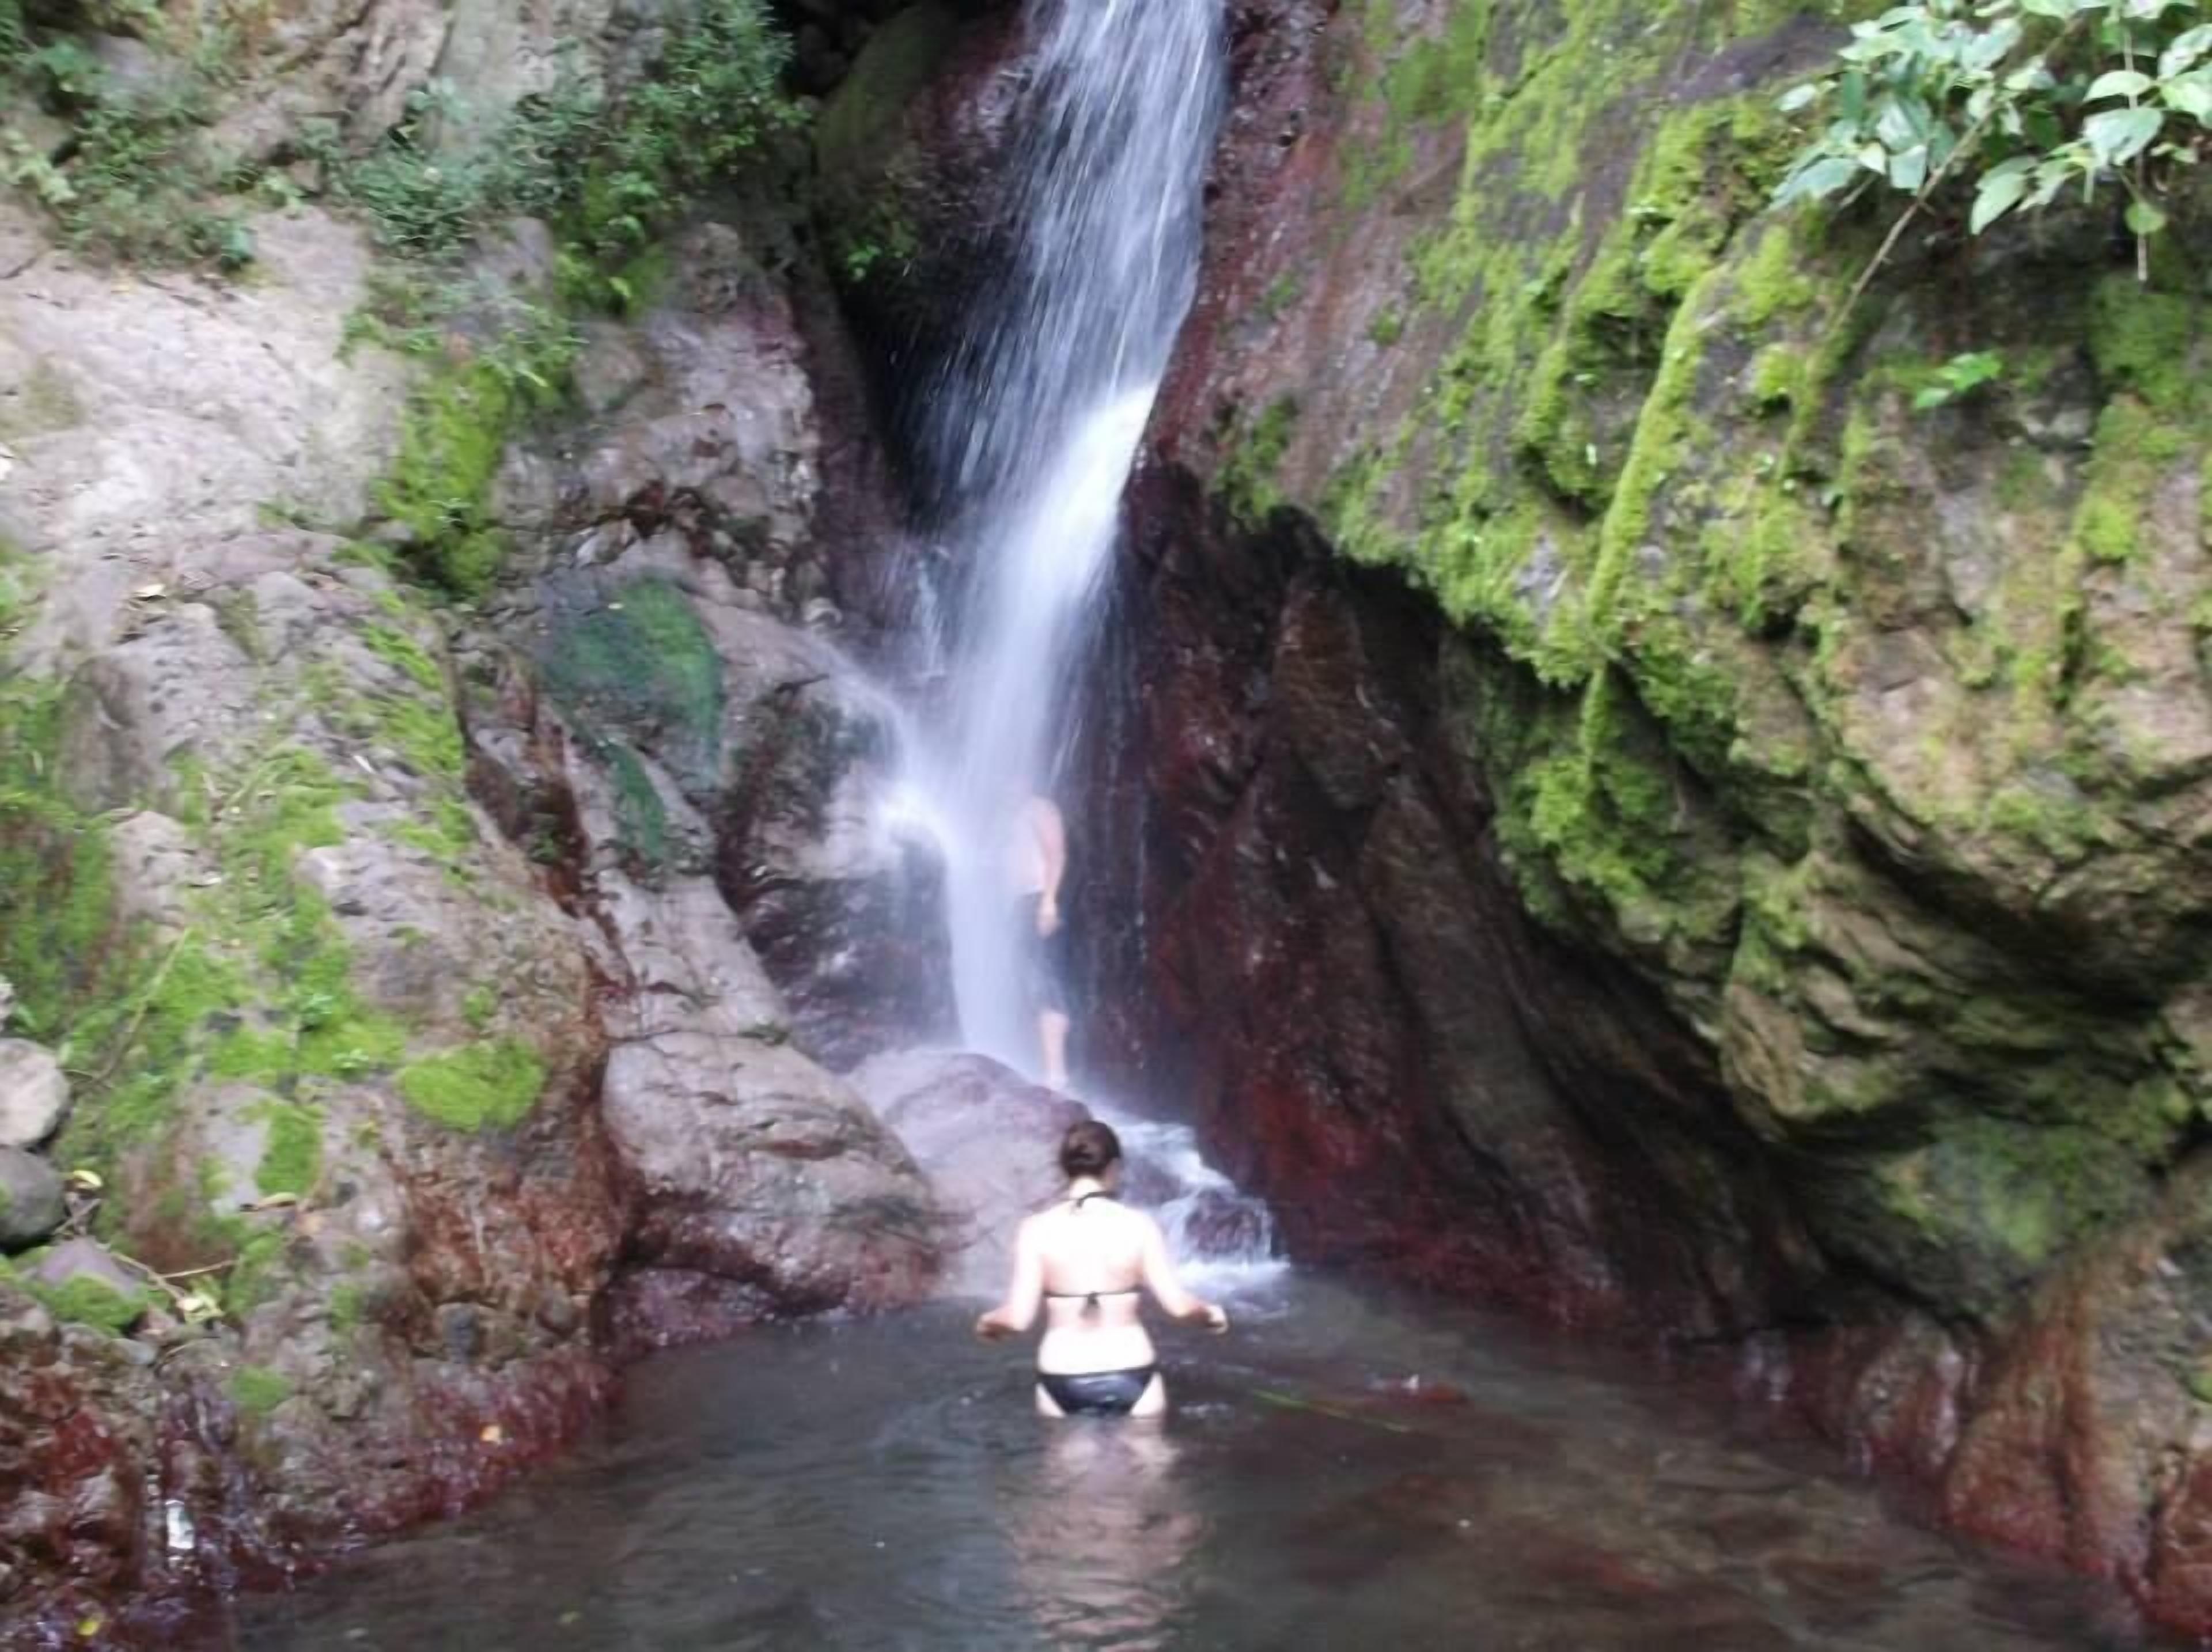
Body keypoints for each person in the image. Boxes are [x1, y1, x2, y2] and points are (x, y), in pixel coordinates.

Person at [976, 1120, 1229, 1418]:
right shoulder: (1139, 1226)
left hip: (1062, 1374)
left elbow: (1017, 1319)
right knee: (1148, 1464)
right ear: (1115, 1167)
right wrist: (1211, 1315)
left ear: (1063, 1169)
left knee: (1071, 1465)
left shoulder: (1034, 1230)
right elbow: (1179, 1307)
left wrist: (987, 1323)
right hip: (1131, 1369)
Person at [1007, 791, 1072, 1089]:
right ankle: (1046, 1069)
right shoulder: (1014, 813)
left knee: (1045, 981)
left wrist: (1049, 901)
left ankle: (1057, 1073)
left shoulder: (1040, 807)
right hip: (1021, 903)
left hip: (1038, 900)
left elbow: (1056, 854)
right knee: (1031, 983)